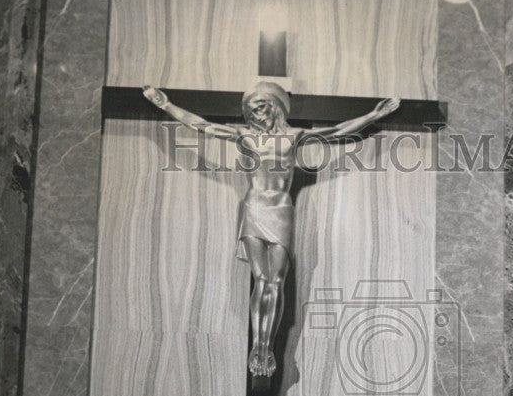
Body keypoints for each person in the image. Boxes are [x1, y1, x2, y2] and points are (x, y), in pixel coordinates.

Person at [143, 82, 400, 378]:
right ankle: (258, 347)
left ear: (274, 107)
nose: (255, 114)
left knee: (276, 280)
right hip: (253, 207)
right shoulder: (244, 136)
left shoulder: (294, 136)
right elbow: (202, 125)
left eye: (260, 107)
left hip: (281, 209)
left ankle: (267, 344)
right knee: (261, 278)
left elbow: (338, 132)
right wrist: (165, 104)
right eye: (251, 110)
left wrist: (373, 115)